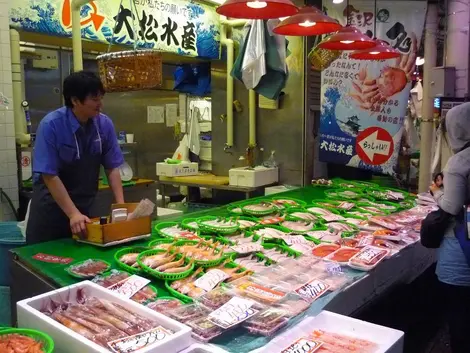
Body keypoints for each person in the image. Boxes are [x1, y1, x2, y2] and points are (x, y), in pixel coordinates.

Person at [26, 71, 124, 245]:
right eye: (94, 99)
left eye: (101, 98)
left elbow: (111, 167)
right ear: (75, 100)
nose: (100, 104)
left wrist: (120, 205)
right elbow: (49, 175)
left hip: (85, 208)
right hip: (51, 210)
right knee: (46, 263)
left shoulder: (104, 124)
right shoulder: (51, 125)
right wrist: (72, 214)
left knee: (84, 263)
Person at [429, 102, 470, 353]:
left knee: (460, 313)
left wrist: (437, 192)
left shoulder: (459, 162)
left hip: (462, 251)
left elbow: (451, 207)